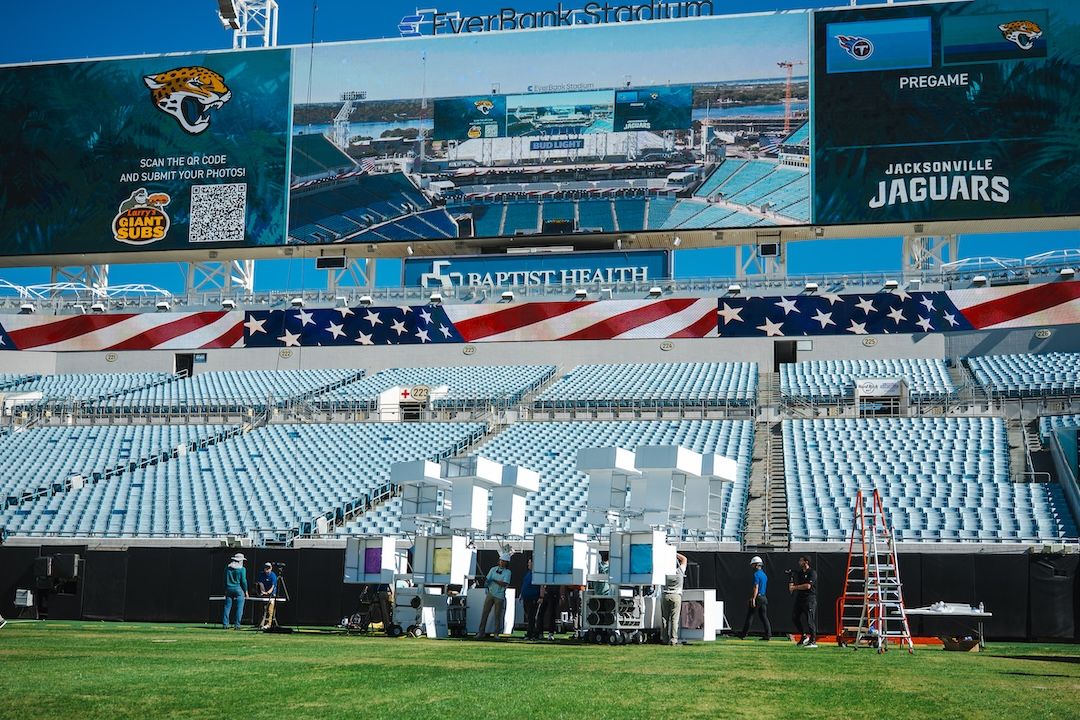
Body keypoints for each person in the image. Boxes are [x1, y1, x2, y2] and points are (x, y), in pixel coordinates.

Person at [476, 552, 512, 639]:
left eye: (504, 561)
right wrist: (487, 583)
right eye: (501, 561)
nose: (502, 562)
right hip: (490, 593)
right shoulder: (493, 569)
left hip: (499, 595)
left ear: (506, 563)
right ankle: (481, 632)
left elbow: (505, 584)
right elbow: (488, 580)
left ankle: (496, 633)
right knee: (485, 613)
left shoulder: (507, 572)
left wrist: (494, 580)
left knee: (497, 615)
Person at [737, 555, 772, 641]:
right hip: (763, 597)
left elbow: (756, 587)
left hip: (758, 598)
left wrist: (753, 598)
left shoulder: (756, 574)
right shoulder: (764, 575)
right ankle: (768, 635)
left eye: (753, 564)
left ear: (756, 565)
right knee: (764, 617)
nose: (751, 566)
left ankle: (743, 634)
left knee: (750, 616)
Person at [789, 555, 818, 648]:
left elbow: (808, 586)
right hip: (800, 599)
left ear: (806, 562)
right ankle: (804, 636)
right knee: (795, 617)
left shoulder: (812, 572)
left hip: (809, 599)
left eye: (801, 561)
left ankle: (813, 641)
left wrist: (795, 587)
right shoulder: (800, 573)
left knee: (810, 620)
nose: (799, 562)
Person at [662, 552, 688, 646]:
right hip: (676, 596)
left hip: (665, 595)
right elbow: (684, 559)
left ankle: (664, 638)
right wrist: (673, 553)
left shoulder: (665, 573)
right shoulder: (679, 572)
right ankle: (673, 639)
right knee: (674, 619)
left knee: (664, 618)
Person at [222, 553, 247, 630]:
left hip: (229, 588)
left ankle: (225, 624)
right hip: (238, 589)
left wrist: (225, 589)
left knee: (227, 607)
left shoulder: (227, 568)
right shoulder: (242, 569)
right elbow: (243, 581)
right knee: (239, 607)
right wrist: (246, 591)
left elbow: (224, 580)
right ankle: (237, 625)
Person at [520, 557, 541, 640]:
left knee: (532, 616)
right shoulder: (528, 573)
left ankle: (531, 634)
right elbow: (525, 584)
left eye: (529, 563)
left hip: (533, 598)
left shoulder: (537, 574)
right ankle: (533, 632)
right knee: (528, 616)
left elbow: (542, 585)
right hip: (526, 597)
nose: (528, 564)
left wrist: (541, 597)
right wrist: (522, 594)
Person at [257, 562, 279, 630]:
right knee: (262, 609)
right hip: (263, 595)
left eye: (268, 568)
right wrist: (262, 592)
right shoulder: (261, 575)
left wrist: (267, 593)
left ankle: (268, 624)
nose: (267, 569)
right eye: (266, 567)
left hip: (272, 595)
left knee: (270, 610)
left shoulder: (273, 576)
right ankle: (261, 624)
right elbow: (260, 584)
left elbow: (273, 587)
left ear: (271, 568)